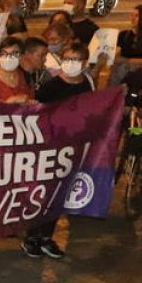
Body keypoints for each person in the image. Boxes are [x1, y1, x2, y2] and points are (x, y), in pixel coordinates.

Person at [25, 41, 94, 259]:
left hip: (72, 147)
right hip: (48, 147)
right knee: (42, 192)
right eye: (67, 59)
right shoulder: (50, 85)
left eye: (75, 60)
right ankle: (32, 237)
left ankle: (46, 236)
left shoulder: (86, 84)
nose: (69, 64)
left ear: (83, 63)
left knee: (59, 193)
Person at [110, 4, 142, 86]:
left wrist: (126, 60)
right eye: (131, 15)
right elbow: (115, 56)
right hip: (119, 74)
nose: (132, 18)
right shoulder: (124, 34)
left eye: (136, 16)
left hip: (137, 76)